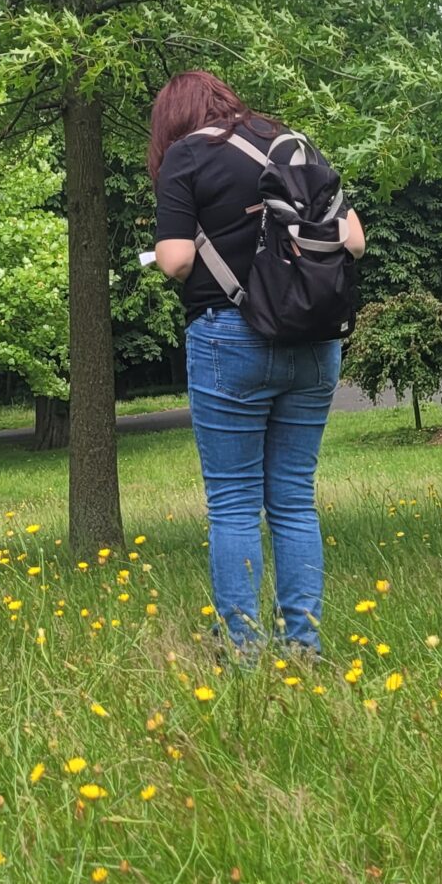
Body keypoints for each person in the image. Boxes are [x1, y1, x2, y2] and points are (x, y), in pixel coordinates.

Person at [149, 71, 366, 654]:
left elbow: (172, 261)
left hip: (230, 337)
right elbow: (354, 241)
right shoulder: (292, 144)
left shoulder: (187, 156)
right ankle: (303, 644)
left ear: (174, 118)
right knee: (294, 497)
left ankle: (241, 648)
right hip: (314, 339)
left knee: (234, 501)